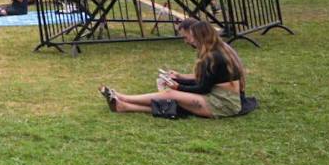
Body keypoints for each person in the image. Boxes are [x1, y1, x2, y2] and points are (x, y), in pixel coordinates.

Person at [101, 18, 247, 118]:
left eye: (190, 37)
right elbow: (205, 81)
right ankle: (124, 106)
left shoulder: (212, 57)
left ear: (200, 37)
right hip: (224, 99)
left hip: (223, 103)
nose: (189, 41)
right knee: (174, 98)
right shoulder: (218, 50)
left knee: (170, 96)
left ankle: (122, 97)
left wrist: (178, 87)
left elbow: (203, 88)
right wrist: (179, 82)